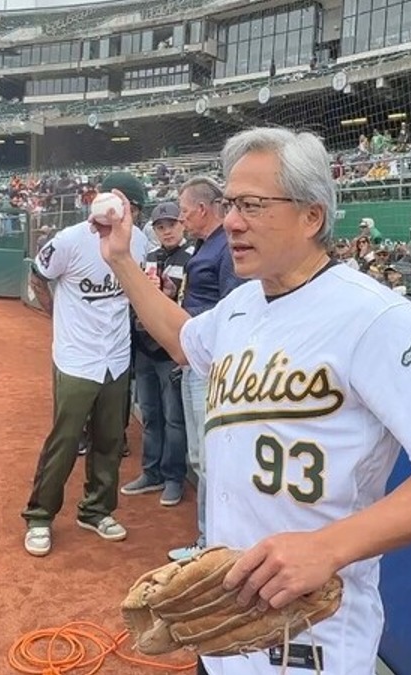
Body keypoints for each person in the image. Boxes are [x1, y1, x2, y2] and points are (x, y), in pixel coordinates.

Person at [95, 126, 411, 675]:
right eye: (230, 204)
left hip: (312, 642)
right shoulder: (242, 307)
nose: (233, 221)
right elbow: (182, 339)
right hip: (224, 624)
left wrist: (328, 548)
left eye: (253, 205)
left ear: (312, 216)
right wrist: (120, 259)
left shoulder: (376, 317)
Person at [22, 172, 147, 557]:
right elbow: (38, 278)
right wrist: (58, 319)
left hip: (117, 354)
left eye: (135, 207)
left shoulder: (140, 242)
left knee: (111, 438)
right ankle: (40, 515)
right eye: (124, 203)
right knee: (65, 438)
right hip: (77, 356)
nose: (128, 213)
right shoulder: (71, 240)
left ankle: (96, 510)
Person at [168, 175, 245, 563]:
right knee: (200, 456)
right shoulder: (205, 246)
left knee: (209, 457)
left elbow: (233, 307)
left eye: (183, 212)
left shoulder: (224, 249)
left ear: (201, 209)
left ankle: (211, 545)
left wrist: (193, 328)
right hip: (195, 356)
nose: (181, 219)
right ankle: (207, 540)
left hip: (211, 364)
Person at [121, 202, 193, 506]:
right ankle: (152, 473)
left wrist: (167, 297)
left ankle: (173, 477)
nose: (167, 231)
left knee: (174, 418)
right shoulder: (149, 257)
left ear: (182, 225)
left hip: (172, 351)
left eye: (172, 224)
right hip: (146, 347)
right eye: (161, 226)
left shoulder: (192, 257)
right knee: (150, 414)